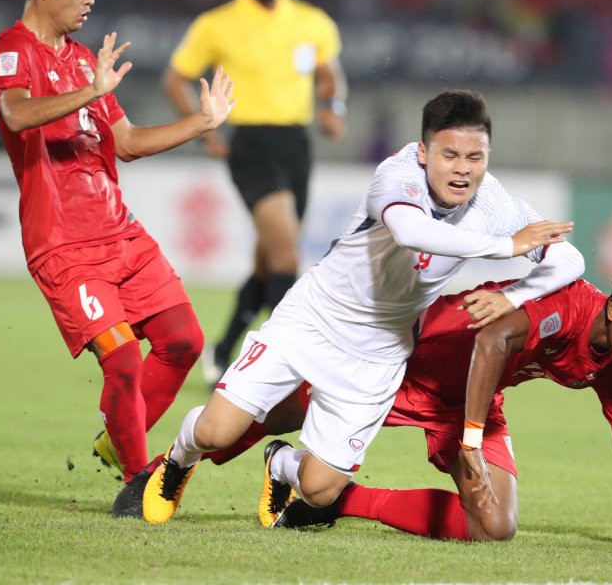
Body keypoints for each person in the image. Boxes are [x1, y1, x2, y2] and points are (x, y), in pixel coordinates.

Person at [137, 89, 585, 524]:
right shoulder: (398, 175)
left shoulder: (495, 203)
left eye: (476, 158)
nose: (463, 170)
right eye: (450, 155)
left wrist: (512, 295)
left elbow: (570, 259)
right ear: (425, 151)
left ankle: (280, 465)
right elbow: (411, 232)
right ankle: (179, 460)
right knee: (216, 433)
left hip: (378, 354)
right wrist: (507, 246)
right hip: (314, 318)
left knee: (318, 489)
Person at [0, 0, 234, 516]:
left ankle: (115, 435)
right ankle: (137, 478)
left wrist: (202, 122)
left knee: (184, 341)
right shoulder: (13, 49)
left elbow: (125, 143)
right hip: (64, 246)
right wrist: (90, 91)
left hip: (121, 235)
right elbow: (15, 113)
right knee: (122, 361)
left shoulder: (80, 59)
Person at [270, 256, 612, 541]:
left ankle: (342, 502)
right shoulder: (568, 307)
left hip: (471, 398)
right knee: (272, 412)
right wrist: (472, 439)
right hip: (410, 361)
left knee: (495, 526)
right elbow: (493, 338)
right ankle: (270, 458)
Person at [162, 0, 347, 385]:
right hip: (250, 145)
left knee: (268, 263)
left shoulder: (312, 21)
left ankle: (224, 350)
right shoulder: (217, 24)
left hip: (295, 144)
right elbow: (175, 80)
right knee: (287, 254)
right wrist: (202, 127)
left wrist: (331, 107)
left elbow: (331, 76)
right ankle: (279, 366)